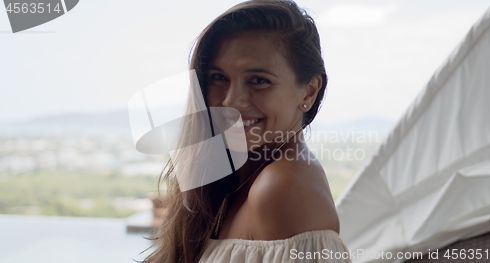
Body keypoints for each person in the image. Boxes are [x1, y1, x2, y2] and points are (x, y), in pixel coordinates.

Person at [143, 1, 352, 262]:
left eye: (259, 81)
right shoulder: (238, 177)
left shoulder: (281, 188)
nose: (231, 101)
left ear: (309, 91)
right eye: (218, 77)